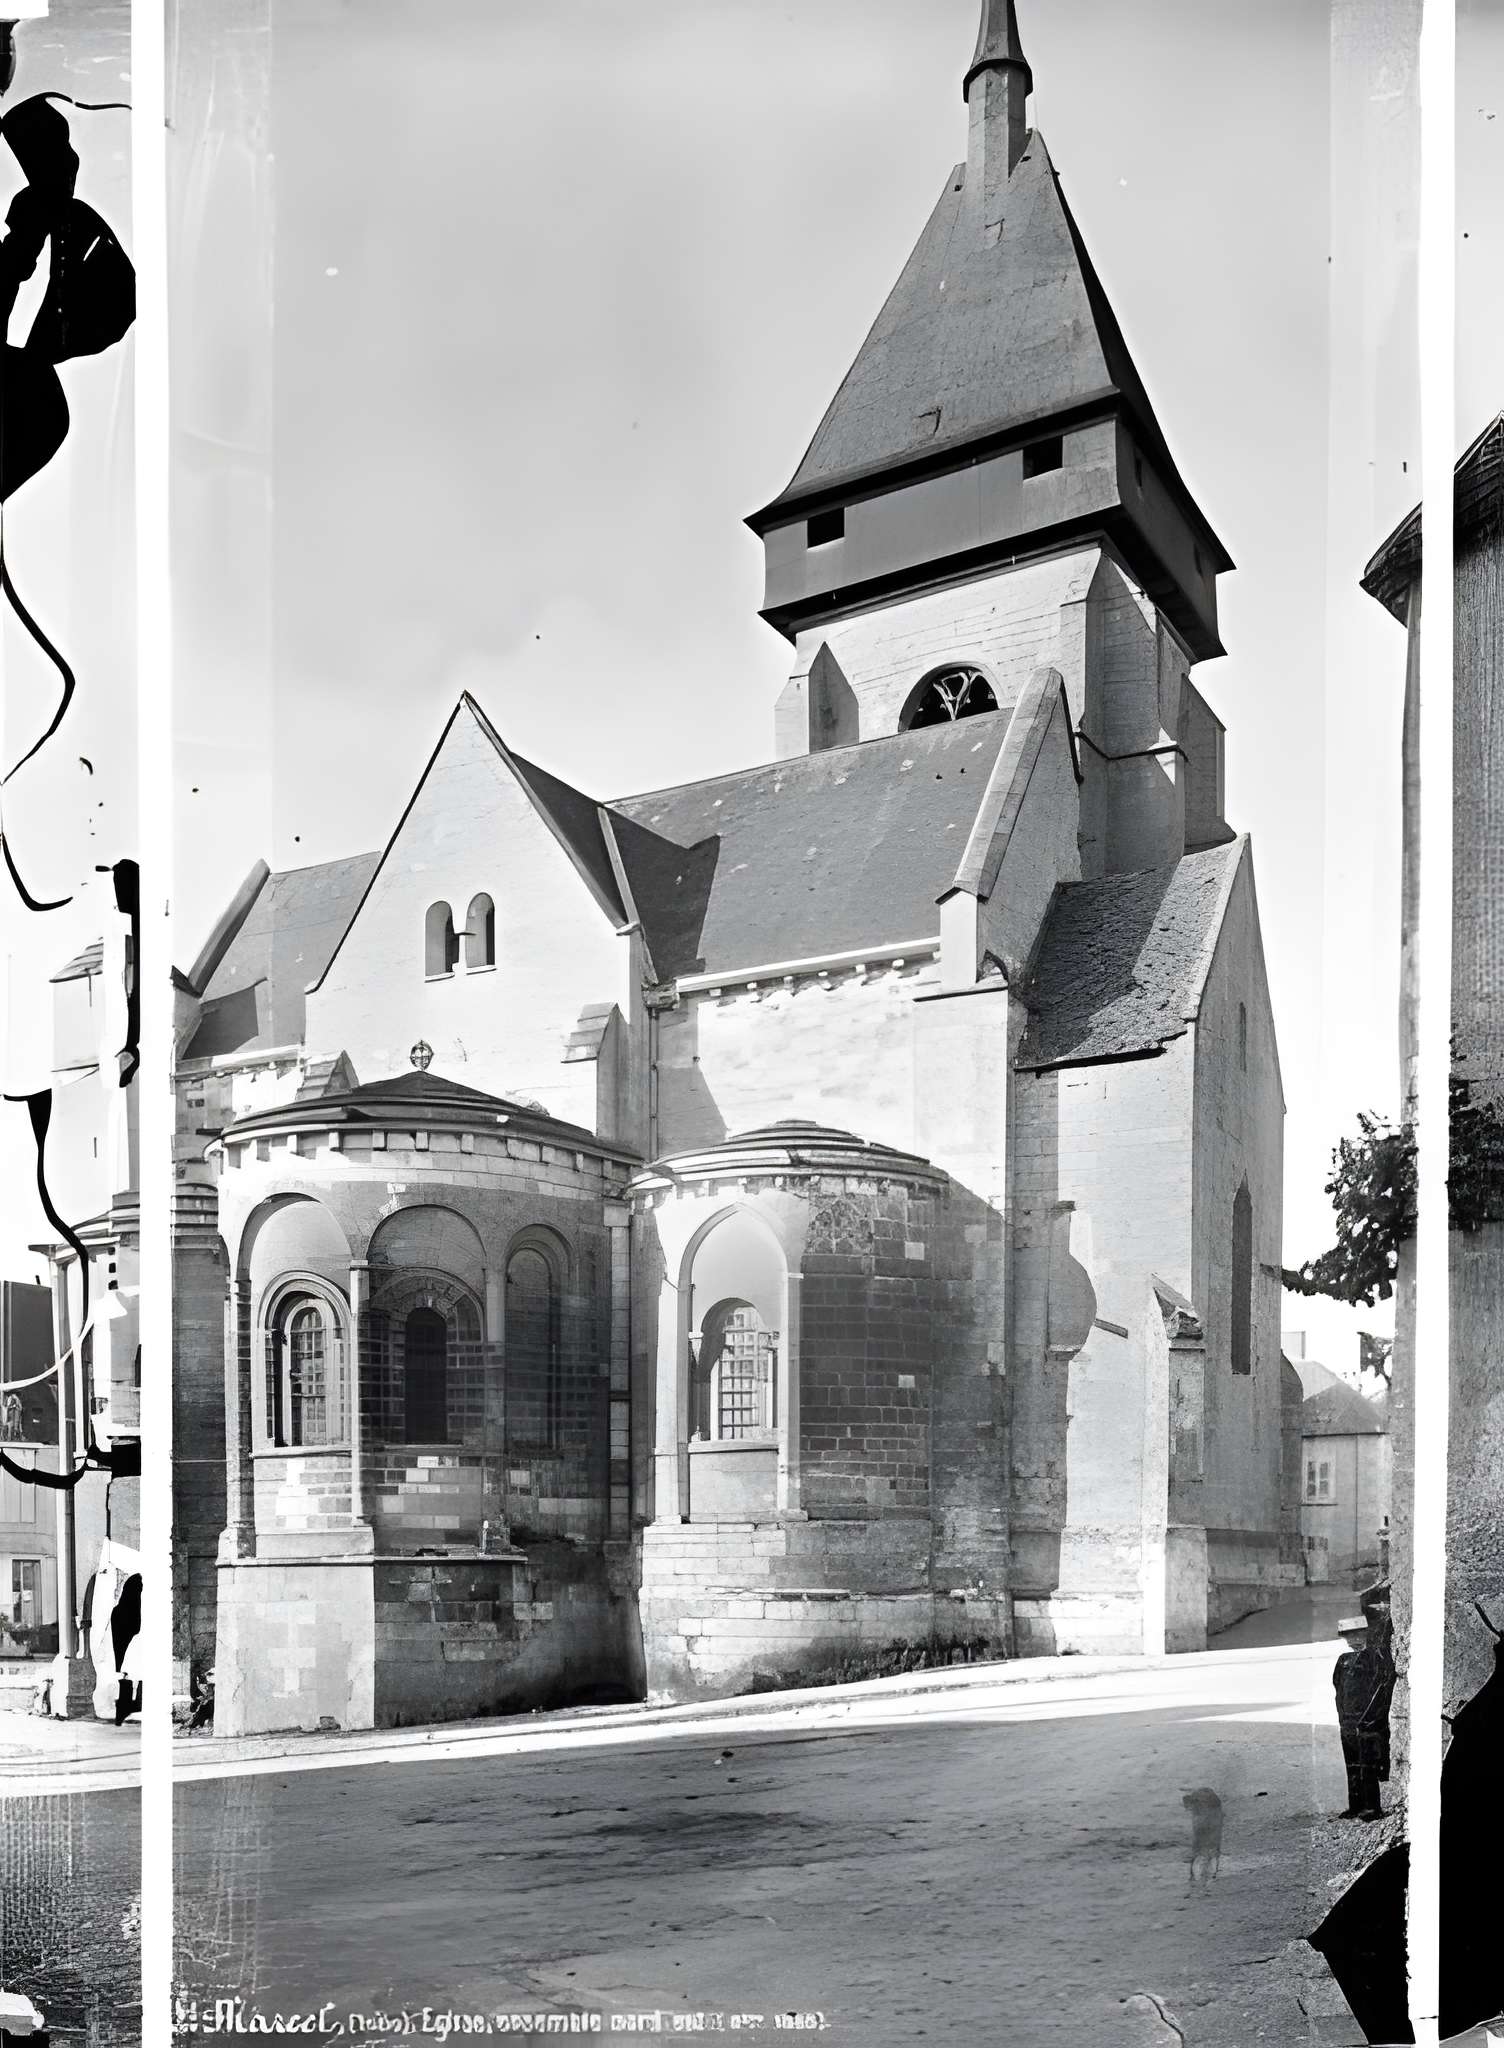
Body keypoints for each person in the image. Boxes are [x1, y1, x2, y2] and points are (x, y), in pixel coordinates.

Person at [1334, 1615, 1391, 1820]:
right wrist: (1342, 1716)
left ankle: (1372, 1808)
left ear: (1366, 1633)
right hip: (1347, 1721)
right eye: (1349, 1636)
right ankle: (1355, 1806)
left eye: (1357, 1634)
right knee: (1352, 1764)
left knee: (1367, 1766)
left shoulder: (1375, 1657)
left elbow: (1380, 1689)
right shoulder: (1343, 1660)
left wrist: (1370, 1718)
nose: (1353, 1640)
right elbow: (1338, 1688)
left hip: (1367, 1721)